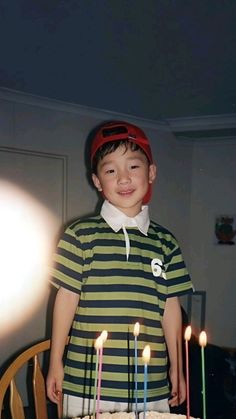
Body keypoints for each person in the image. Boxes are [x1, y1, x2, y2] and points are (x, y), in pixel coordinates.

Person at [46, 121, 193, 418]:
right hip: (85, 383)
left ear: (151, 173)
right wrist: (55, 360)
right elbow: (66, 298)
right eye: (110, 170)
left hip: (149, 385)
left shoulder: (166, 242)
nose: (123, 178)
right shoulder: (79, 235)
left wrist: (178, 367)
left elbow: (171, 308)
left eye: (133, 167)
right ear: (98, 181)